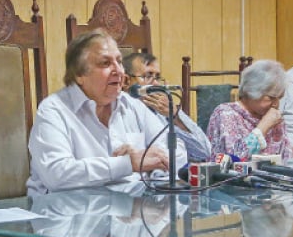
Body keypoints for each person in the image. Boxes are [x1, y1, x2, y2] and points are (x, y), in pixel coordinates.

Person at [26, 29, 188, 196]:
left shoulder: (131, 105)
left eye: (119, 61)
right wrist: (126, 164)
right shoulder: (54, 110)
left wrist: (151, 167)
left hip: (131, 211)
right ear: (79, 74)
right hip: (66, 215)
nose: (118, 71)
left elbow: (179, 152)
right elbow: (57, 175)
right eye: (105, 63)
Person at [123, 52, 211, 161]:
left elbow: (204, 152)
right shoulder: (121, 111)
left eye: (158, 77)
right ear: (126, 81)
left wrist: (175, 116)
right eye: (148, 76)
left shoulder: (163, 109)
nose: (156, 84)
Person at [206, 59, 293, 161]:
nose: (276, 104)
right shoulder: (225, 113)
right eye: (271, 97)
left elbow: (287, 158)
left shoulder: (275, 118)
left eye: (279, 98)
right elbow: (234, 159)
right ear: (252, 90)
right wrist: (263, 127)